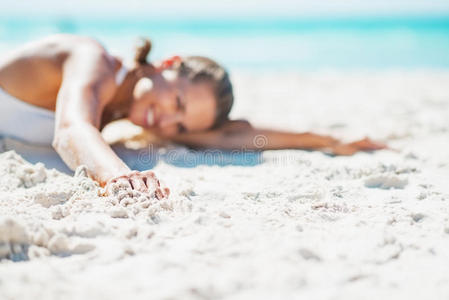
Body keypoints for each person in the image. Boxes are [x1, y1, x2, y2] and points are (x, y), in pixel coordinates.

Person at [0, 34, 385, 198]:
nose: (167, 123)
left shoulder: (125, 114)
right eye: (178, 104)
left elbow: (225, 139)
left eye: (181, 126)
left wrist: (326, 141)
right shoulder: (92, 58)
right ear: (167, 64)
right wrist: (120, 178)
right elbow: (71, 130)